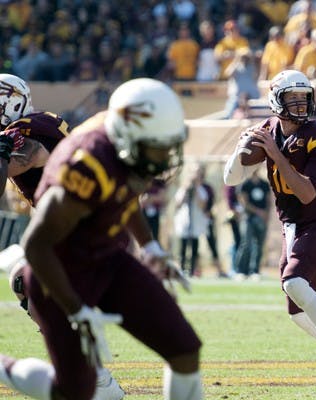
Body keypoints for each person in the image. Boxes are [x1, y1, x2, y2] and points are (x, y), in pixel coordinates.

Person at [0, 78, 203, 400]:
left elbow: (126, 190)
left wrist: (150, 246)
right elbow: (36, 245)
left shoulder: (127, 148)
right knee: (72, 391)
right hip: (60, 264)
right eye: (156, 145)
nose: (163, 154)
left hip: (108, 256)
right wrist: (76, 309)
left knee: (184, 349)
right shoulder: (86, 165)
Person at [223, 69, 316, 387]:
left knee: (293, 282)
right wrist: (239, 151)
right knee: (297, 312)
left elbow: (306, 192)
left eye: (304, 98)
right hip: (291, 227)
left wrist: (275, 154)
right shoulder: (268, 129)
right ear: (277, 101)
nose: (300, 105)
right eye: (292, 98)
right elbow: (231, 179)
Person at [0, 73, 125, 400]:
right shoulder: (37, 121)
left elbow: (31, 154)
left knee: (31, 283)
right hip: (80, 219)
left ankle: (92, 376)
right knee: (26, 281)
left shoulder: (24, 130)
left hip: (77, 223)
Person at [234, 169, 271, 280]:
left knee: (259, 245)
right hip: (248, 218)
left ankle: (255, 270)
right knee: (246, 244)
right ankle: (241, 271)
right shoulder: (245, 184)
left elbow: (269, 201)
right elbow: (244, 203)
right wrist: (258, 212)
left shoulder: (264, 184)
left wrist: (266, 215)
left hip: (261, 219)